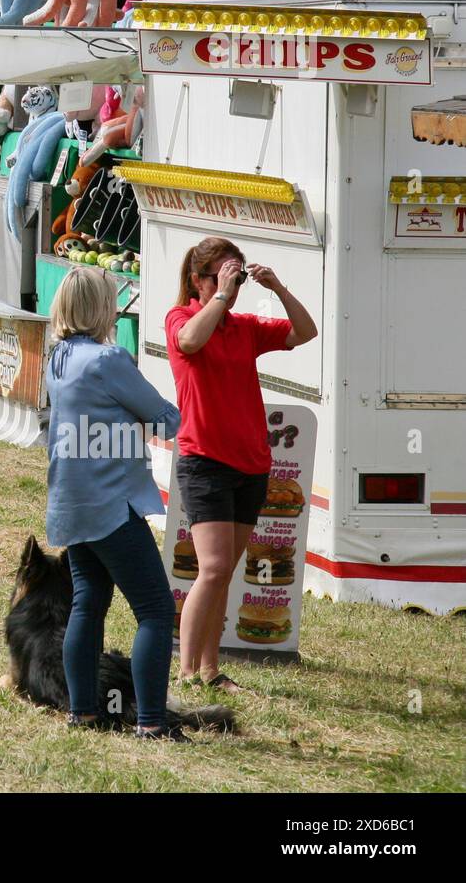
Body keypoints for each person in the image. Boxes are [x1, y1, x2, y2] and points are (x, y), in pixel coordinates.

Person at [165, 237, 317, 691]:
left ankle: (210, 669)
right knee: (210, 570)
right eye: (219, 275)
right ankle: (186, 669)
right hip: (204, 462)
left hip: (250, 464)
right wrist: (219, 297)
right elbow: (190, 342)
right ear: (198, 280)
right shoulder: (183, 317)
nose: (230, 285)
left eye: (236, 276)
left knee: (224, 573)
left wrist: (279, 289)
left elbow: (304, 332)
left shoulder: (244, 327)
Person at [44, 267, 184, 739]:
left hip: (72, 501)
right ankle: (151, 722)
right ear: (102, 309)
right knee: (155, 610)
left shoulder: (58, 358)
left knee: (89, 603)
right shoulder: (109, 359)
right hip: (111, 504)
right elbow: (164, 418)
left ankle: (83, 711)